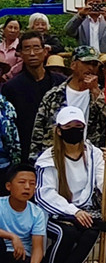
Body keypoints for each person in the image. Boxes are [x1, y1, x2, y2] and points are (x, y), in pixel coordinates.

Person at [34, 106, 106, 263]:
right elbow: (45, 194)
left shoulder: (94, 154)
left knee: (92, 232)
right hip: (55, 214)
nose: (74, 130)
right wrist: (73, 211)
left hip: (86, 212)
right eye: (69, 126)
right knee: (67, 234)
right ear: (59, 130)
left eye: (78, 126)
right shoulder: (48, 157)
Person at [30, 46, 106, 161]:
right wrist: (35, 159)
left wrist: (96, 92)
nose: (91, 68)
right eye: (86, 63)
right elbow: (38, 130)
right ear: (73, 65)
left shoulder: (100, 95)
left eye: (94, 64)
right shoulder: (53, 95)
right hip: (56, 156)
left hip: (89, 157)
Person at [2, 32, 64, 164]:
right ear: (20, 53)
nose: (32, 53)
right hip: (26, 152)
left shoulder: (60, 83)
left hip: (58, 150)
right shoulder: (11, 87)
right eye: (27, 49)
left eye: (36, 48)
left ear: (45, 51)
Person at [0, 165, 47, 263]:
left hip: (20, 256)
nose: (27, 187)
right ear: (9, 186)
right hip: (2, 251)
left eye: (32, 184)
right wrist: (12, 237)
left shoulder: (37, 213)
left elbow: (37, 247)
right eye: (22, 182)